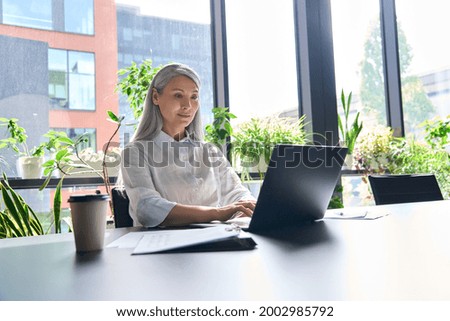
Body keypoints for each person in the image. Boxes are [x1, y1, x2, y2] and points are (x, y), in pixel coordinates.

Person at [120, 63, 256, 227]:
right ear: (156, 97)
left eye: (194, 97)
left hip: (213, 241)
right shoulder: (135, 152)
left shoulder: (209, 152)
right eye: (178, 95)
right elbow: (147, 209)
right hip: (162, 246)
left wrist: (248, 205)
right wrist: (219, 213)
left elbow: (237, 193)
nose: (188, 106)